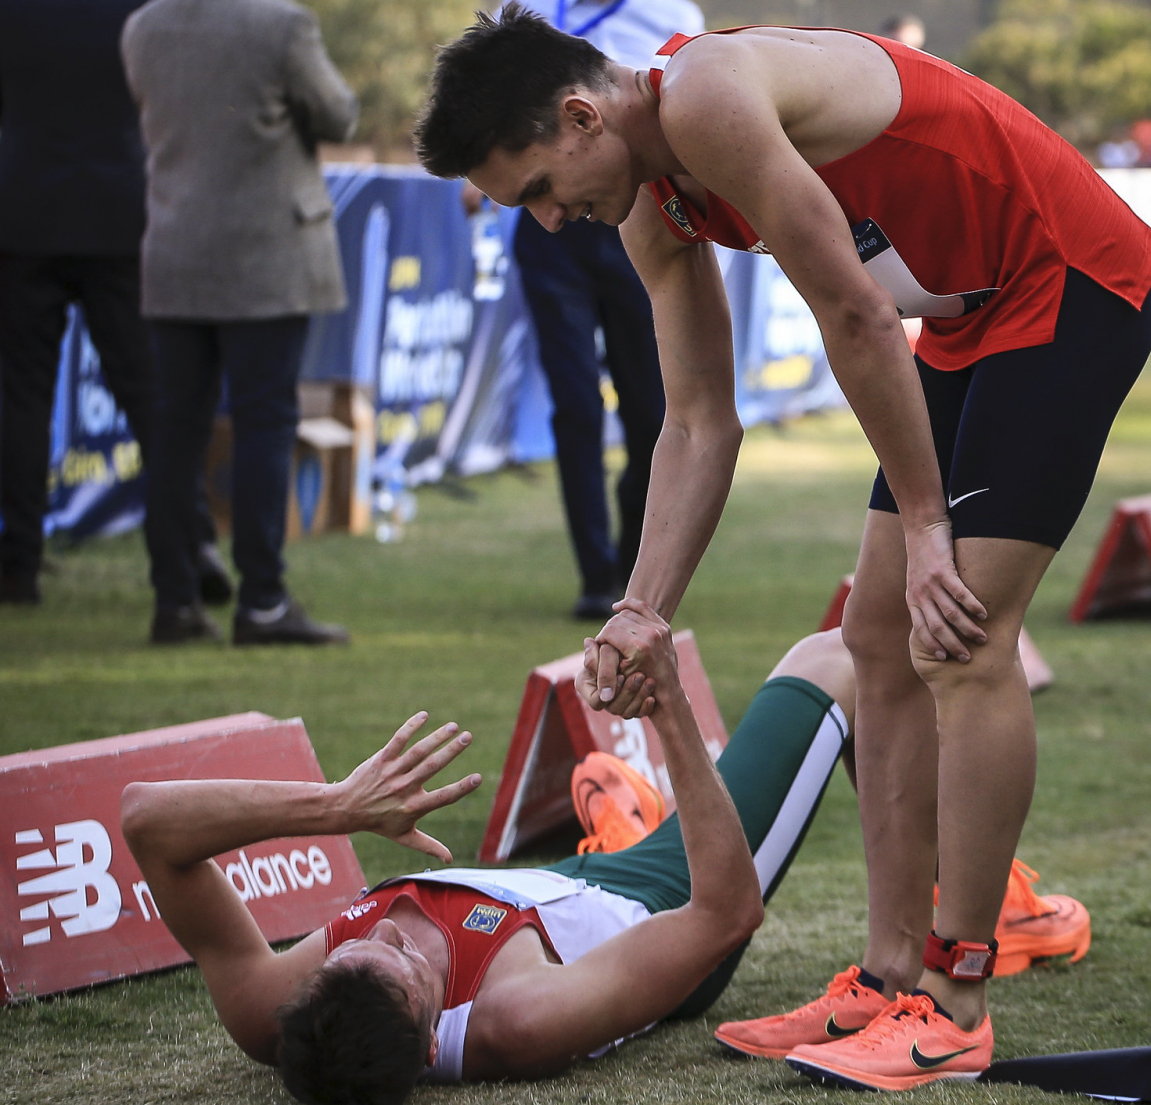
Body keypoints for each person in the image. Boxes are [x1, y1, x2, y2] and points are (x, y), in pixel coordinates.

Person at [416, 6, 1151, 1090]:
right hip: (969, 314)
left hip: (1066, 275)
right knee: (874, 635)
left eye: (535, 189)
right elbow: (696, 421)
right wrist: (640, 608)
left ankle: (956, 1000)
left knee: (957, 637)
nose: (546, 221)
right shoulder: (649, 200)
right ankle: (889, 974)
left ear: (580, 116)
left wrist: (926, 526)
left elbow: (856, 316)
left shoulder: (705, 101)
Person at [122, 605, 855, 1103]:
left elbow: (147, 823)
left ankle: (623, 822)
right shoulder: (519, 1018)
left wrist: (337, 807)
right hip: (669, 896)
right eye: (406, 961)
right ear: (431, 1037)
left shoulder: (278, 1015)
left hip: (556, 884)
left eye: (353, 949)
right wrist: (668, 705)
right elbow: (727, 913)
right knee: (839, 658)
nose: (389, 927)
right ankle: (913, 949)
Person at [122, 0, 356, 645]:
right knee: (264, 424)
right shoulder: (281, 24)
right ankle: (263, 602)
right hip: (266, 256)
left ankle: (174, 601)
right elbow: (338, 114)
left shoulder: (142, 26)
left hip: (174, 252)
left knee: (176, 431)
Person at [464, 0, 701, 620]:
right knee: (575, 405)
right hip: (553, 233)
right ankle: (595, 573)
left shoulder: (669, 8)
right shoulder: (531, 5)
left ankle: (635, 567)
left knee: (650, 406)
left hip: (632, 208)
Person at [0, 0, 230, 608]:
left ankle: (17, 565)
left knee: (22, 400)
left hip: (24, 214)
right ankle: (191, 548)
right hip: (118, 214)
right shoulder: (139, 13)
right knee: (153, 398)